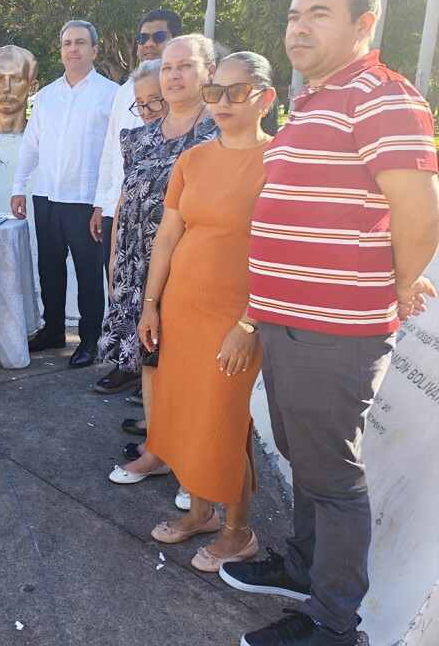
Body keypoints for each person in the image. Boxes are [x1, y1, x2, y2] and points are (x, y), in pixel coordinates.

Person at [220, 0, 439, 646]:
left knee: (333, 475)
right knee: (303, 453)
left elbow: (419, 212)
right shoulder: (315, 101)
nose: (299, 27)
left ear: (363, 24)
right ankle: (304, 568)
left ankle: (334, 623)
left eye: (319, 13)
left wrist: (399, 284)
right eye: (294, 15)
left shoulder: (382, 97)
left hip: (335, 330)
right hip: (288, 323)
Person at [136, 52, 276, 574]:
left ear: (266, 97)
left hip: (237, 315)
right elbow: (168, 235)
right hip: (182, 307)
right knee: (183, 412)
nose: (222, 102)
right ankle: (199, 512)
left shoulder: (280, 161)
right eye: (215, 91)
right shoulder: (192, 160)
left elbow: (282, 253)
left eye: (236, 92)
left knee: (224, 421)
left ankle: (238, 532)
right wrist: (150, 304)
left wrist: (249, 323)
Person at [101, 34, 218, 484]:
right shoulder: (140, 137)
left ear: (208, 72)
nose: (173, 76)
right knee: (149, 359)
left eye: (184, 66)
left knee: (190, 367)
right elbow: (126, 202)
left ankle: (197, 466)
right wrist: (115, 263)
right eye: (168, 67)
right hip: (137, 269)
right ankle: (157, 450)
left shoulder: (218, 135)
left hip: (191, 271)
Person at [10, 20, 118, 368]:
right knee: (49, 269)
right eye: (67, 43)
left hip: (86, 201)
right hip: (46, 197)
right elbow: (31, 144)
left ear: (94, 50)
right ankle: (53, 330)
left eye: (81, 42)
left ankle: (89, 340)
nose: (73, 49)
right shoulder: (46, 96)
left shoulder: (110, 94)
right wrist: (18, 187)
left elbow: (115, 153)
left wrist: (103, 203)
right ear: (61, 51)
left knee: (89, 274)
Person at [93, 8, 182, 393]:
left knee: (163, 304)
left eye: (158, 37)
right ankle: (128, 368)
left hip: (165, 224)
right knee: (123, 294)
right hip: (123, 208)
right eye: (142, 37)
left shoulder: (186, 100)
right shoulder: (123, 91)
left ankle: (160, 387)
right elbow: (112, 154)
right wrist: (102, 203)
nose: (148, 44)